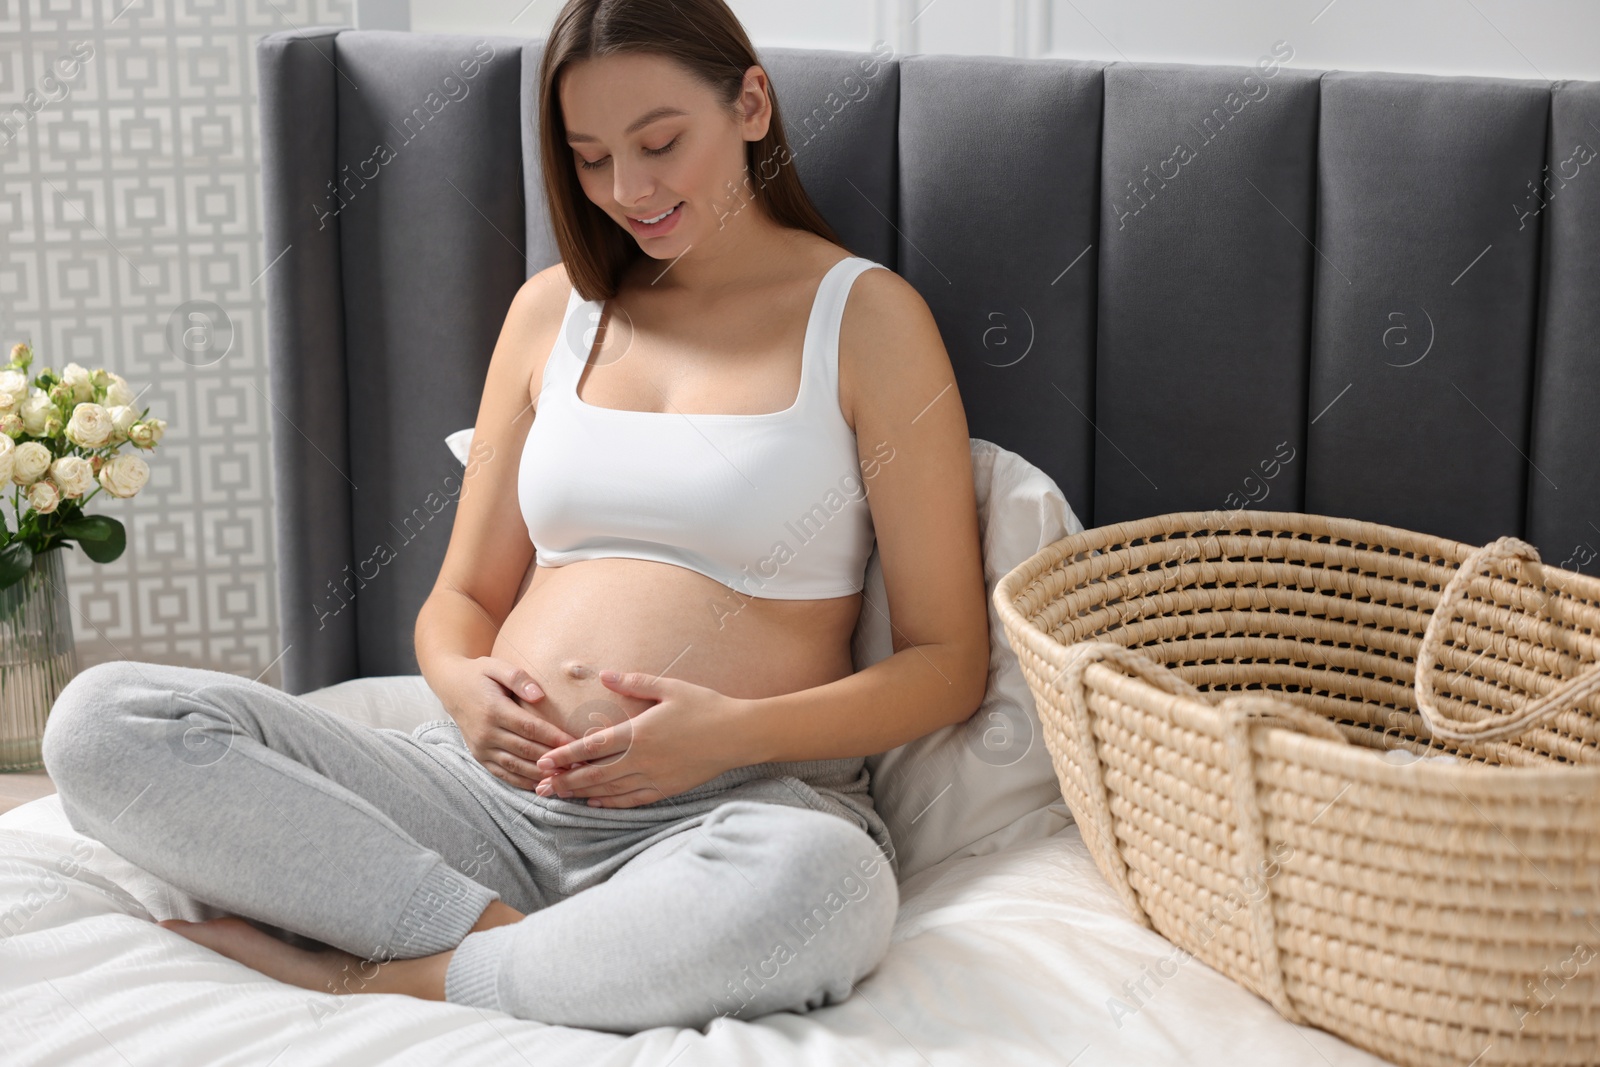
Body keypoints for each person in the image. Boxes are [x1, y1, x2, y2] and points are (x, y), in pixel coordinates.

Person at [40, 0, 988, 1034]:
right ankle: (502, 938)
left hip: (727, 810)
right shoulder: (551, 313)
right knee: (103, 722)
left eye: (660, 142)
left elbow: (946, 661)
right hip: (482, 798)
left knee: (826, 888)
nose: (629, 190)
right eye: (588, 157)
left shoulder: (867, 319)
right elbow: (460, 598)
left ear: (750, 104)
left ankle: (397, 971)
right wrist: (458, 683)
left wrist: (729, 734)